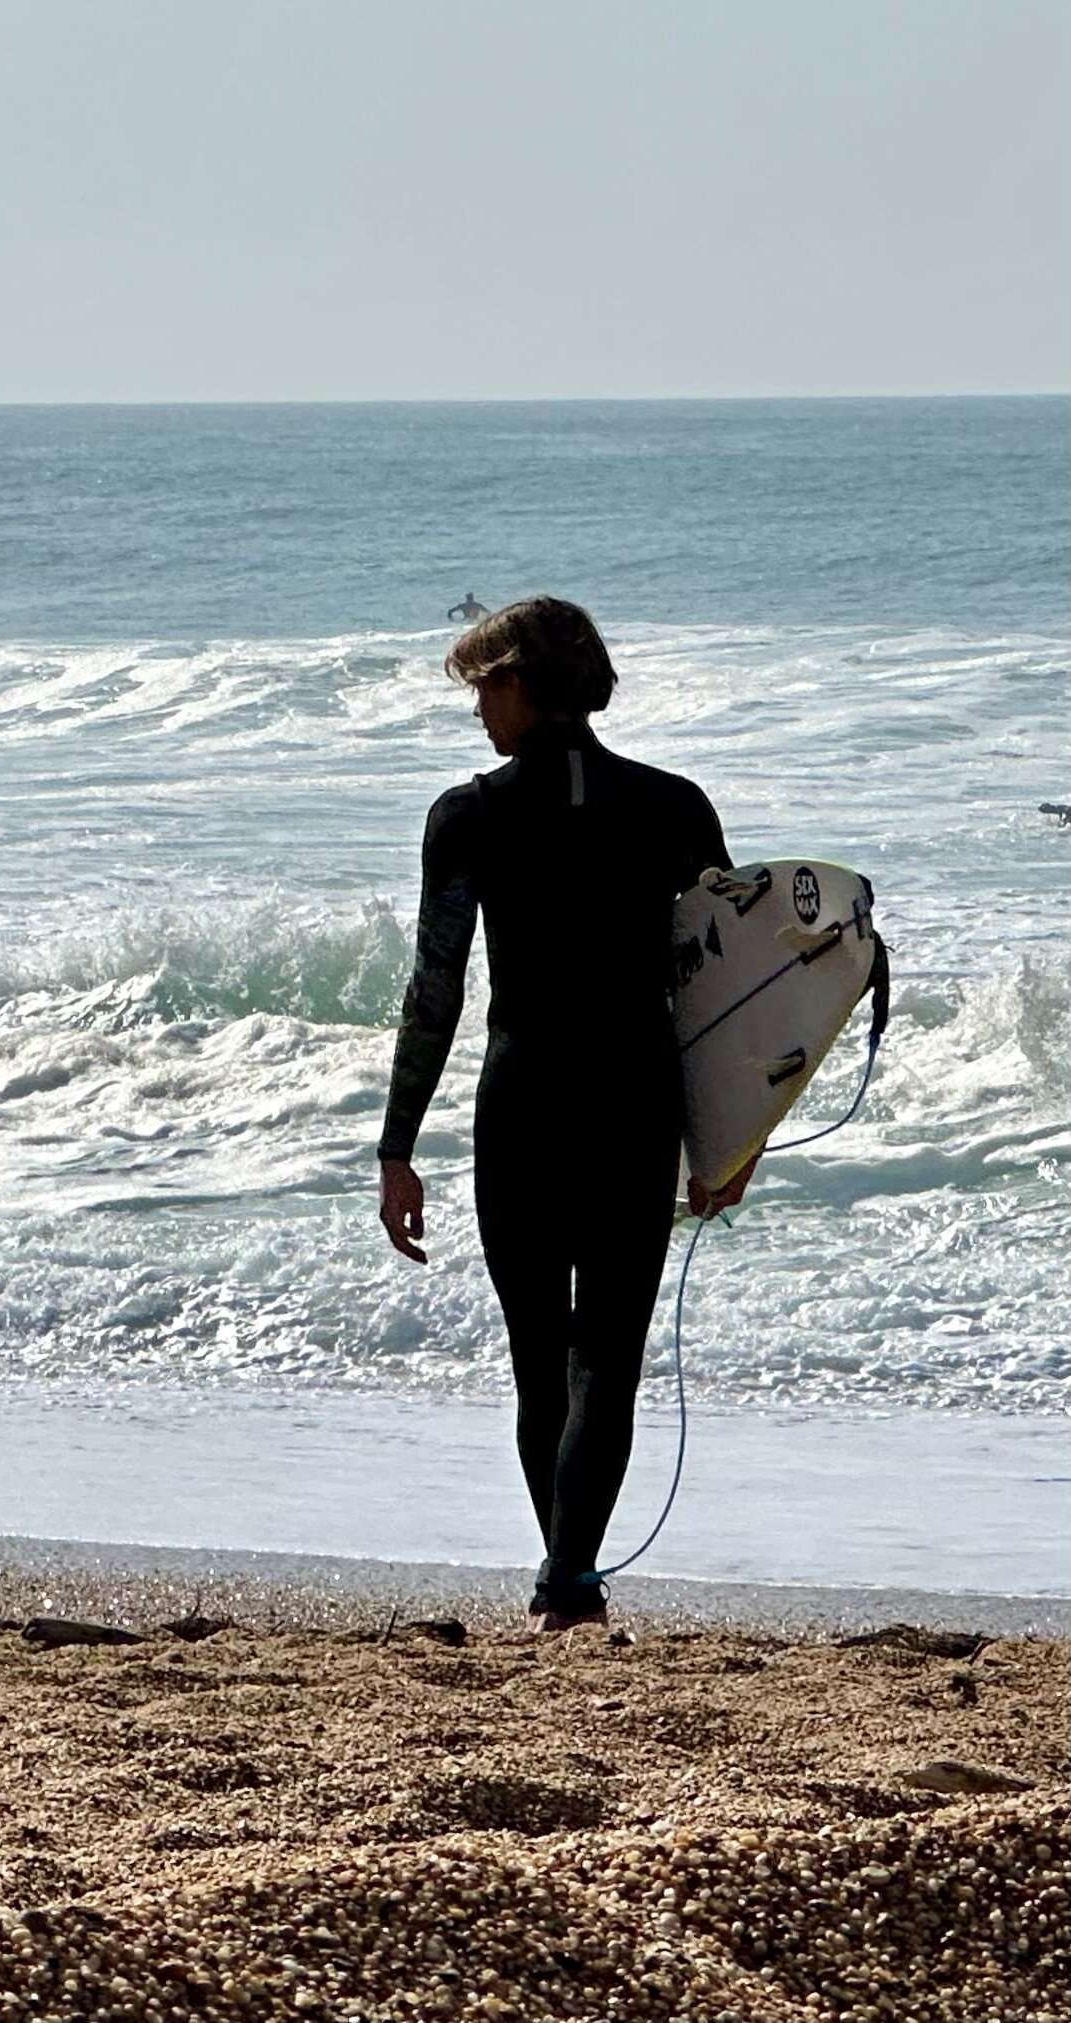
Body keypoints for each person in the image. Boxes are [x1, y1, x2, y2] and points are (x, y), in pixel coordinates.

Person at [374, 597, 745, 1634]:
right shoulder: (675, 809)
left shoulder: (469, 816)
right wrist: (732, 1135)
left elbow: (433, 990)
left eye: (484, 686)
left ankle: (565, 1583)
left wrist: (397, 1145)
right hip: (636, 1102)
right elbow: (727, 990)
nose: (478, 710)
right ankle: (568, 1581)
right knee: (607, 1356)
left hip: (525, 1101)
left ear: (522, 684)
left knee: (541, 1355)